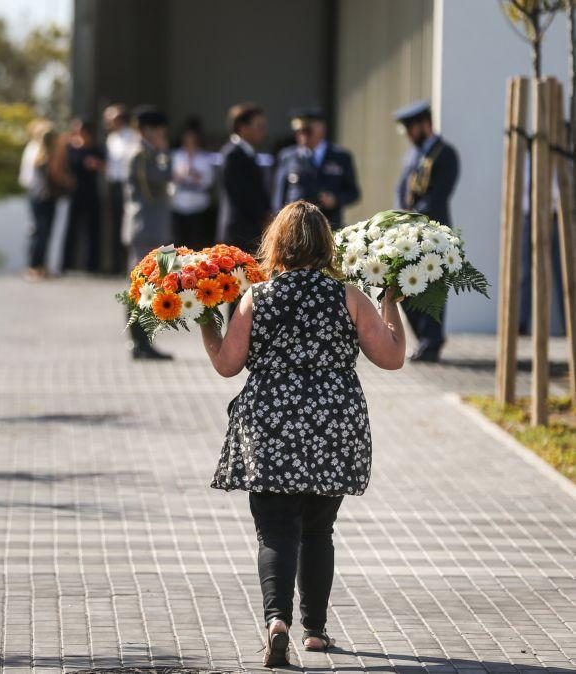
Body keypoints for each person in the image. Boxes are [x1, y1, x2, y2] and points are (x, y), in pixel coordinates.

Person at [200, 200, 405, 667]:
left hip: (271, 424)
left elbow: (227, 365)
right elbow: (391, 357)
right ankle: (315, 631)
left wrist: (208, 324)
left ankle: (277, 621)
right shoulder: (349, 296)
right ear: (326, 244)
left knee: (275, 532)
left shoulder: (258, 295)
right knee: (318, 529)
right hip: (333, 425)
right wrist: (391, 303)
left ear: (278, 244)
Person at [394, 100, 461, 363]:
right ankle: (424, 338)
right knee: (402, 285)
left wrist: (413, 217)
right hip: (409, 234)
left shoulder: (446, 154)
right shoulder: (414, 155)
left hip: (434, 232)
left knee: (432, 288)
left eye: (412, 129)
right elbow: (402, 190)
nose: (410, 135)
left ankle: (431, 342)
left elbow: (438, 196)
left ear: (425, 124)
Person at [123, 106, 173, 361]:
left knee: (156, 286)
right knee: (141, 287)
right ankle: (138, 341)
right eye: (157, 131)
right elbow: (156, 183)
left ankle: (147, 340)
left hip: (157, 228)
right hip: (144, 229)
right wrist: (165, 154)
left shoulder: (152, 154)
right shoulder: (140, 155)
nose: (161, 136)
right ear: (145, 131)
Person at [273, 108, 360, 228]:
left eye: (307, 131)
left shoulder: (340, 157)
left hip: (329, 225)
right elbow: (279, 196)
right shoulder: (288, 156)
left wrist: (335, 200)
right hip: (296, 225)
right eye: (298, 131)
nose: (302, 136)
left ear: (322, 129)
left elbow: (353, 193)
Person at [220, 103, 272, 253]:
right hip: (240, 232)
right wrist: (264, 215)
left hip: (250, 229)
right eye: (259, 126)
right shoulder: (233, 154)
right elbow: (242, 194)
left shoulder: (247, 153)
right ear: (243, 128)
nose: (263, 131)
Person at [25, 128, 72, 280]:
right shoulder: (51, 156)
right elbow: (57, 175)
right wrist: (71, 182)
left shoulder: (36, 154)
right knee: (43, 233)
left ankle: (37, 266)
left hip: (35, 197)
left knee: (39, 232)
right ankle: (36, 267)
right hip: (46, 198)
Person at [62, 118, 106, 273]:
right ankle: (66, 264)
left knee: (93, 230)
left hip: (92, 192)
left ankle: (92, 266)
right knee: (71, 229)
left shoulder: (96, 148)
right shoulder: (70, 147)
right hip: (74, 192)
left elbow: (107, 167)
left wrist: (97, 165)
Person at [170, 118, 216, 250]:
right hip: (178, 202)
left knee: (196, 240)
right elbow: (169, 177)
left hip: (198, 204)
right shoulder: (176, 155)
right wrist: (179, 175)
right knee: (177, 241)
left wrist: (196, 175)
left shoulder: (205, 157)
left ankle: (195, 269)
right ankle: (175, 270)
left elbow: (209, 181)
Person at [104, 104, 137, 273]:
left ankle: (130, 264)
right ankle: (116, 265)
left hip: (127, 185)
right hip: (114, 185)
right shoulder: (111, 138)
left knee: (129, 222)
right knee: (116, 223)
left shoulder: (132, 137)